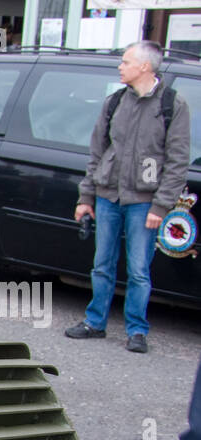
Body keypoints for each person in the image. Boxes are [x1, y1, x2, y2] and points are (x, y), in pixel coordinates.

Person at [65, 42, 191, 354]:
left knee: (138, 269)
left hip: (144, 202)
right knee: (102, 264)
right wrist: (86, 197)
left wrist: (161, 206)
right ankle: (95, 322)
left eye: (126, 62)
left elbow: (177, 161)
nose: (120, 67)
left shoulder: (172, 105)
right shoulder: (114, 102)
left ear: (145, 67)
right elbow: (96, 153)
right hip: (109, 196)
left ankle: (137, 330)